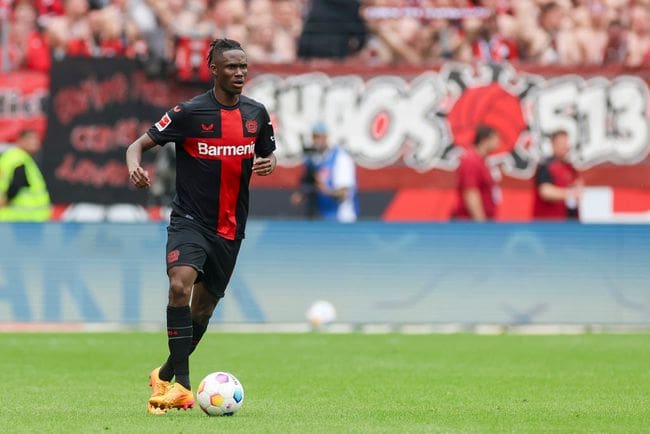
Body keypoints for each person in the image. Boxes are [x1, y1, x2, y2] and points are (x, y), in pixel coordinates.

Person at [125, 38, 276, 414]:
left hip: (230, 228)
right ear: (213, 69)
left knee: (202, 312)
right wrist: (134, 167)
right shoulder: (189, 113)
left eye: (243, 66)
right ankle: (183, 387)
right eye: (231, 67)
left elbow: (267, 152)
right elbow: (136, 146)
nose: (239, 73)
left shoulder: (256, 114)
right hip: (190, 221)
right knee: (179, 285)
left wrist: (269, 162)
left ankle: (163, 373)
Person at [290, 121, 358, 222]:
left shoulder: (341, 158)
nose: (316, 141)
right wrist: (302, 195)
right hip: (321, 219)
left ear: (326, 137)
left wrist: (326, 190)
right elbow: (309, 186)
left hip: (341, 219)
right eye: (314, 137)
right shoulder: (313, 160)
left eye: (319, 137)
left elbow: (344, 194)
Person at [0, 129, 51, 222]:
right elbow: (18, 182)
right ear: (20, 140)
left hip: (24, 219)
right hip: (21, 218)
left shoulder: (19, 157)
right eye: (31, 139)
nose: (36, 143)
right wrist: (5, 200)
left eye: (37, 140)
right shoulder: (17, 157)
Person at [452, 125, 500, 222]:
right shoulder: (471, 161)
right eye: (496, 139)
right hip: (469, 225)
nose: (498, 143)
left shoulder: (482, 161)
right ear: (485, 140)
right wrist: (480, 223)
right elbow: (471, 193)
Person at [532, 129, 582, 220]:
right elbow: (545, 192)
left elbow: (577, 187)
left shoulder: (570, 168)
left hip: (570, 222)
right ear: (553, 145)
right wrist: (569, 193)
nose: (565, 146)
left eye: (566, 142)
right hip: (550, 224)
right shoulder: (546, 166)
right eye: (561, 143)